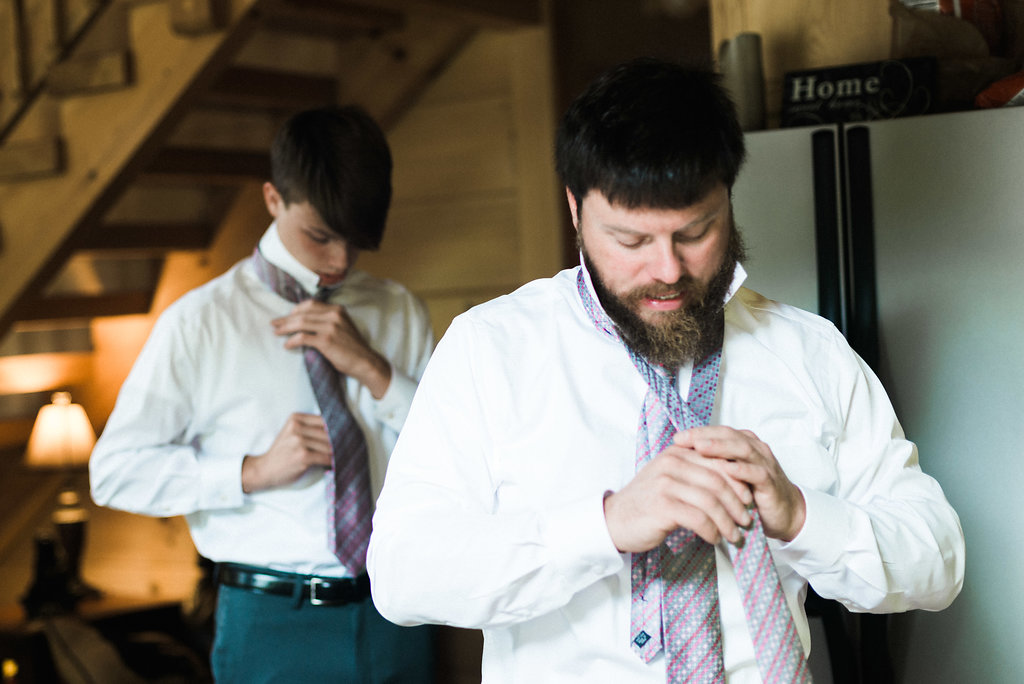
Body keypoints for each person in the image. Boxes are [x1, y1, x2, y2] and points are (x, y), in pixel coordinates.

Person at [366, 59, 965, 683]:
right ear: (575, 209)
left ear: (728, 197)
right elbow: (404, 575)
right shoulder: (491, 350)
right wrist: (606, 526)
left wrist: (799, 514)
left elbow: (938, 563)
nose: (668, 270)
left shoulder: (810, 354)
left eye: (695, 232)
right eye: (631, 241)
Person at [91, 106, 436, 682]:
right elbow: (115, 472)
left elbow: (448, 457)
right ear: (273, 199)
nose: (339, 262)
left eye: (355, 242)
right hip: (272, 625)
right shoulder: (200, 323)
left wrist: (375, 371)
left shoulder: (396, 309)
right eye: (321, 236)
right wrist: (249, 471)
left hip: (397, 611)